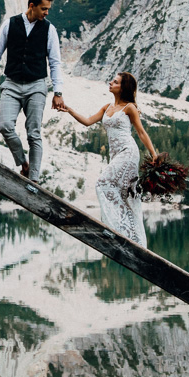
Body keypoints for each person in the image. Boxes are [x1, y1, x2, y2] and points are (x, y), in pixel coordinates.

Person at [57, 72, 158, 246]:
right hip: (116, 155)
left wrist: (154, 154)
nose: (110, 83)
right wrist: (70, 110)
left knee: (103, 183)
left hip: (128, 152)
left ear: (123, 87)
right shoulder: (107, 107)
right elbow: (88, 121)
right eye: (112, 80)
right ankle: (131, 237)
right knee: (125, 194)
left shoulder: (129, 108)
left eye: (115, 82)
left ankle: (115, 229)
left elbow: (141, 132)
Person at [0, 0, 66, 181]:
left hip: (36, 85)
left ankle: (33, 179)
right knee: (5, 126)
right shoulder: (10, 24)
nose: (47, 13)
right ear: (31, 6)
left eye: (48, 9)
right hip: (11, 84)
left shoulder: (49, 29)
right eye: (44, 9)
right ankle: (23, 163)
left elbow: (55, 62)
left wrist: (58, 91)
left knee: (34, 133)